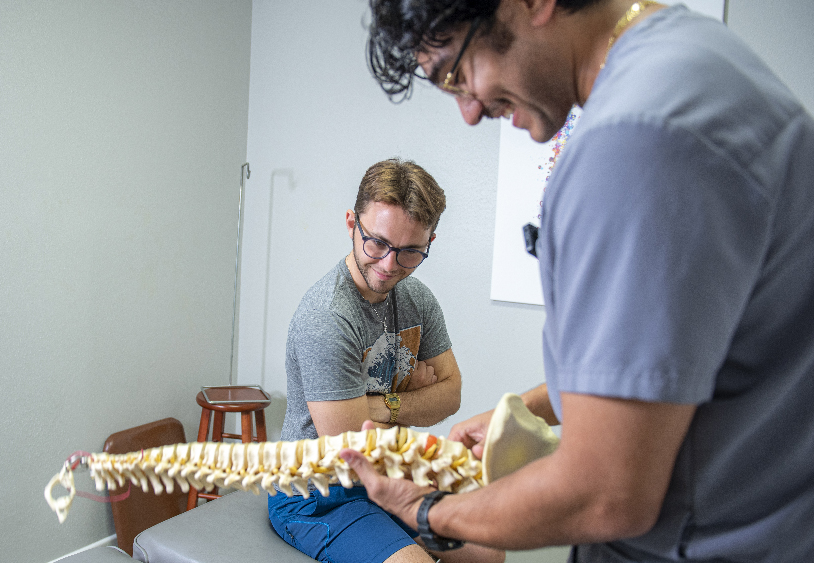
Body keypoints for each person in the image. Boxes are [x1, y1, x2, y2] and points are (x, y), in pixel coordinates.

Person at [339, 1, 814, 562]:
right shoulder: (696, 59)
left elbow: (606, 492)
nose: (468, 111)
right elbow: (674, 360)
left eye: (458, 73)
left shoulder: (635, 143)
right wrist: (529, 409)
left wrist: (427, 509)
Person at [269, 158, 505, 563]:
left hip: (388, 476)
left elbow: (451, 395)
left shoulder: (419, 301)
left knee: (488, 552)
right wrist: (412, 403)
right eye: (377, 243)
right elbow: (350, 445)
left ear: (430, 243)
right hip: (316, 494)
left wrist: (382, 406)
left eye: (410, 251)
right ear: (351, 224)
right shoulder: (327, 317)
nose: (389, 265)